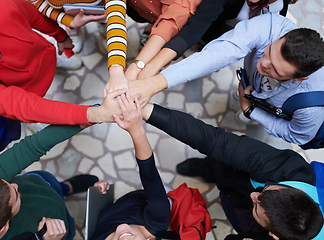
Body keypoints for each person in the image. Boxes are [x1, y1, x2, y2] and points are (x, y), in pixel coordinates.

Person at [129, 13, 324, 146]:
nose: (264, 64)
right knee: (238, 96)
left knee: (242, 117)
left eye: (276, 71)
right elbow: (219, 53)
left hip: (267, 109)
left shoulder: (310, 109)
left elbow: (296, 135)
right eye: (268, 52)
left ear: (299, 79)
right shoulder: (272, 25)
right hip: (250, 85)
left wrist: (251, 111)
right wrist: (157, 81)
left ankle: (242, 117)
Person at [141, 102, 324, 240]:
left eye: (257, 208)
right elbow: (214, 141)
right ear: (298, 191)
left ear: (274, 237)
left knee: (235, 209)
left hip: (245, 218)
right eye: (266, 192)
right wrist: (146, 111)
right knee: (220, 164)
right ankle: (204, 168)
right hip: (236, 174)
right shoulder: (288, 167)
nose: (254, 195)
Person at [0, 0, 119, 127]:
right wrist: (93, 114)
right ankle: (30, 123)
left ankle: (54, 60)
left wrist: (61, 37)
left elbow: (34, 17)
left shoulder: (1, 4)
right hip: (26, 92)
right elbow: (22, 105)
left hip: (43, 53)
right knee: (26, 112)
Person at [0, 122, 111, 240]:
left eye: (7, 183)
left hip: (40, 185)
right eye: (15, 193)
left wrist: (87, 118)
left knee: (50, 184)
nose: (15, 183)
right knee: (68, 229)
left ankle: (65, 188)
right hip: (57, 225)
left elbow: (32, 146)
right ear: (4, 227)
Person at [134, 0, 297, 80]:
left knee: (205, 52)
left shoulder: (279, 8)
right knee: (169, 23)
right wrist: (153, 65)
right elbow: (196, 27)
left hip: (224, 34)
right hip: (206, 22)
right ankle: (150, 30)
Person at [89, 93, 171, 240]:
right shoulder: (157, 219)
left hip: (122, 205)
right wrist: (136, 129)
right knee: (162, 198)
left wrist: (97, 195)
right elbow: (149, 174)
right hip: (146, 202)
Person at [27, 0, 106, 53]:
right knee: (70, 15)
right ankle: (74, 30)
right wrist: (68, 21)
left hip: (102, 5)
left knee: (104, 17)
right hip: (64, 8)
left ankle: (104, 26)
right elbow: (36, 1)